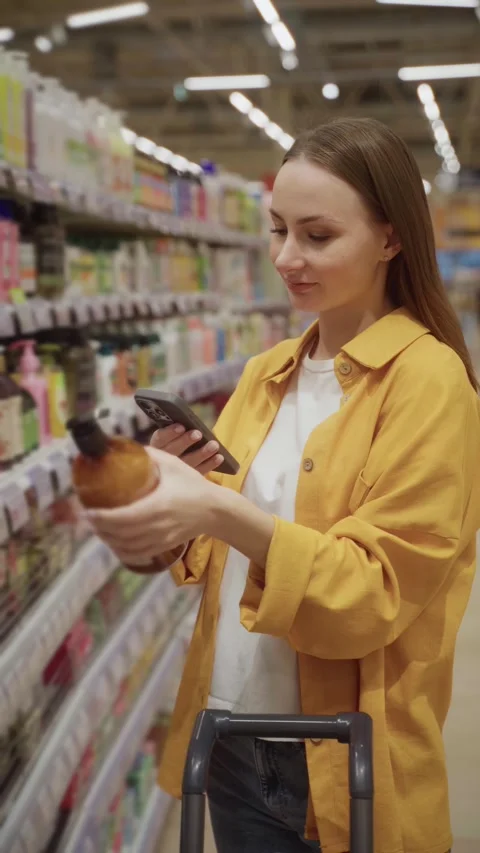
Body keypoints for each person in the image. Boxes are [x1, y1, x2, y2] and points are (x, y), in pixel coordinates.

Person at [86, 118, 480, 853]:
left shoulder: (431, 383)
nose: (287, 258)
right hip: (232, 734)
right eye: (278, 231)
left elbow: (375, 590)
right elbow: (209, 558)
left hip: (336, 755)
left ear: (391, 240)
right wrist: (163, 503)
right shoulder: (268, 374)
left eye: (317, 235)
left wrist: (220, 507)